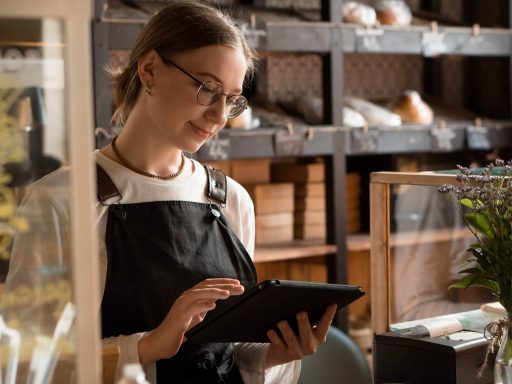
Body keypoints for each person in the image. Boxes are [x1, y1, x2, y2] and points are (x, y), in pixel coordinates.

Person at [4, 1, 337, 383]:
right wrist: (148, 346)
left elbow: (229, 355)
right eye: (208, 89)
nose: (218, 116)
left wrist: (271, 356)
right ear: (149, 70)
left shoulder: (232, 200)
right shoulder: (60, 201)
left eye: (231, 100)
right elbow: (27, 364)